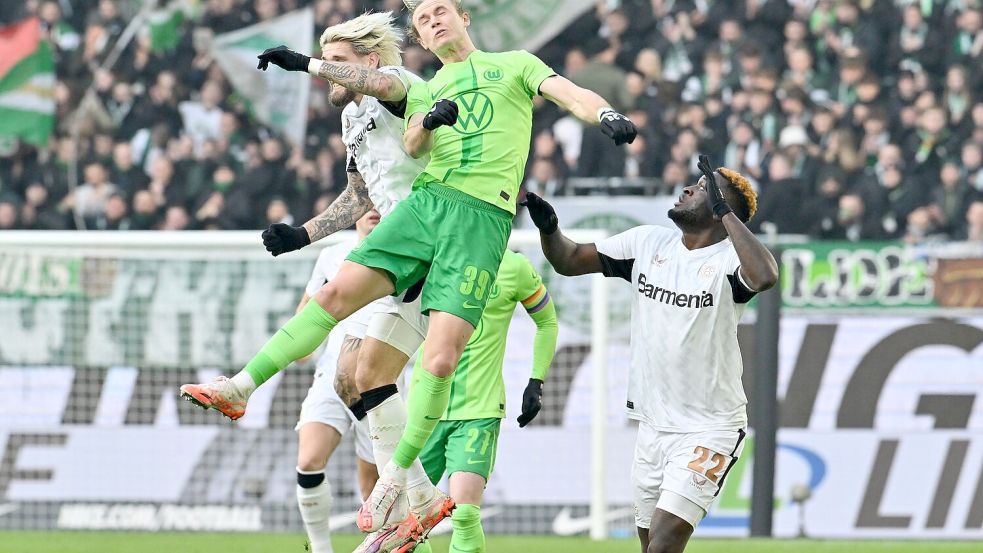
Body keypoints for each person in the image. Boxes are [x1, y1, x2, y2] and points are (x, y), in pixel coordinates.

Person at [185, 0, 636, 550]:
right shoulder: (425, 86)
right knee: (334, 313)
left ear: (465, 17)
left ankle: (403, 482)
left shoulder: (510, 64)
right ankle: (241, 386)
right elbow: (409, 145)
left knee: (431, 362)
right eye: (423, 19)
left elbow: (571, 94)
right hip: (424, 207)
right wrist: (307, 232)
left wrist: (605, 114)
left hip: (481, 221)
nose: (433, 21)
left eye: (441, 10)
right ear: (419, 36)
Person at [522, 155, 778, 553]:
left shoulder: (730, 261)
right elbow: (569, 260)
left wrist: (726, 211)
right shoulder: (647, 243)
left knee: (663, 542)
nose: (689, 187)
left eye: (703, 187)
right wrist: (550, 229)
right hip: (653, 426)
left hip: (710, 428)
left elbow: (765, 277)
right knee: (651, 546)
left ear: (718, 209)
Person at [410, 249, 558, 553]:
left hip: (479, 407)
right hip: (423, 406)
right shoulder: (436, 253)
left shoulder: (514, 266)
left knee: (464, 513)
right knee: (409, 520)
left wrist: (536, 380)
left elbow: (548, 322)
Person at [294, 210, 384, 553]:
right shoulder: (332, 256)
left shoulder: (405, 255)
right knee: (308, 461)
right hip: (330, 378)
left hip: (379, 389)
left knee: (372, 495)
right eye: (365, 202)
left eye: (380, 200)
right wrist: (297, 344)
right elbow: (305, 314)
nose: (373, 208)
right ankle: (320, 549)